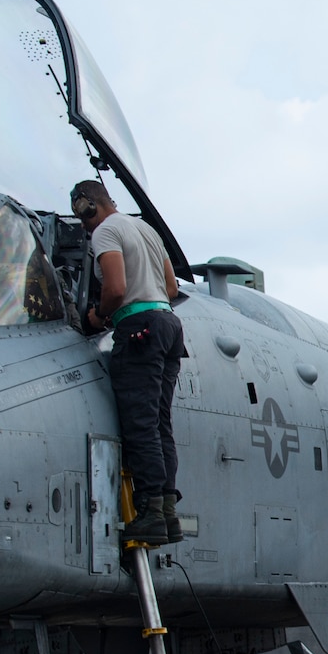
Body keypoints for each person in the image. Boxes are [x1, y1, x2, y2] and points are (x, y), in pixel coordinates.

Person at [71, 180, 187, 545]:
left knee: (140, 424)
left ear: (88, 206)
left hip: (139, 329)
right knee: (159, 423)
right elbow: (171, 288)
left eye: (82, 213)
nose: (83, 224)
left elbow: (117, 288)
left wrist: (97, 317)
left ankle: (150, 512)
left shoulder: (105, 231)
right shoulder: (145, 228)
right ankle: (167, 513)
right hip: (168, 324)